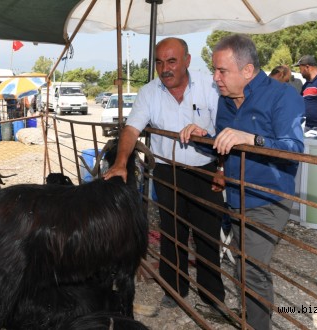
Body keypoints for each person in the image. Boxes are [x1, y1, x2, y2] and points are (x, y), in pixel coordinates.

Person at [180, 34, 304, 330]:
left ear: (247, 71)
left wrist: (253, 139)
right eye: (215, 70)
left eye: (222, 71)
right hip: (236, 197)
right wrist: (201, 137)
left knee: (251, 269)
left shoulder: (282, 96)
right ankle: (252, 316)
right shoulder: (227, 101)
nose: (215, 78)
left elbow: (294, 148)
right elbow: (225, 145)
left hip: (268, 198)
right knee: (244, 265)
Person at [103, 37, 226, 314]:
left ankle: (212, 298)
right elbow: (132, 129)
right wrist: (121, 162)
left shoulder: (210, 86)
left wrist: (222, 168)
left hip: (205, 171)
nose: (165, 68)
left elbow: (226, 128)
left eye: (171, 61)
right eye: (159, 62)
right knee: (172, 233)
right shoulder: (149, 92)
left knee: (207, 234)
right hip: (167, 172)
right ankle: (174, 290)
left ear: (187, 61)